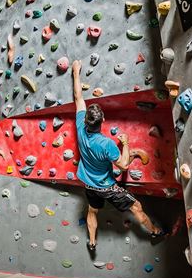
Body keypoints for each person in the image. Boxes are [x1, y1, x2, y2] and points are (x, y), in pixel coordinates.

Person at [71, 60, 166, 251]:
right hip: (106, 187)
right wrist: (126, 143)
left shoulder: (80, 126)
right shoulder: (106, 144)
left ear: (87, 120)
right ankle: (156, 232)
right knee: (136, 207)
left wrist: (75, 72)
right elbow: (123, 165)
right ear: (103, 120)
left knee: (92, 210)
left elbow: (77, 97)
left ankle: (92, 242)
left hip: (88, 183)